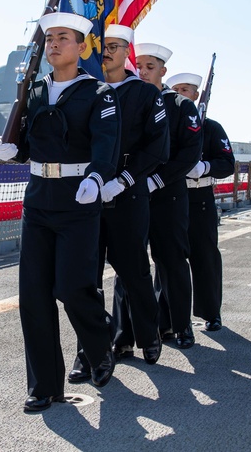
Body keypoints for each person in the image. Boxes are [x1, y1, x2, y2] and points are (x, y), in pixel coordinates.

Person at [0, 12, 120, 413]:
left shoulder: (98, 93)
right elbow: (33, 141)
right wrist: (12, 150)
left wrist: (97, 179)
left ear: (82, 47)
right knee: (33, 295)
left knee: (72, 288)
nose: (53, 44)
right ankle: (46, 386)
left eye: (63, 37)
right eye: (49, 38)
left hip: (78, 199)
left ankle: (99, 349)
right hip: (39, 197)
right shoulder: (33, 91)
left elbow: (107, 144)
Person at [68, 24, 168, 380]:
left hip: (129, 189)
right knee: (86, 276)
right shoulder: (86, 90)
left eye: (114, 47)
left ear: (129, 54)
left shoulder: (143, 93)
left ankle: (148, 333)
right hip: (89, 191)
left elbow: (158, 146)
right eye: (103, 46)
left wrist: (125, 180)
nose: (107, 52)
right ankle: (89, 351)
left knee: (134, 270)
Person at [133, 43, 203, 349]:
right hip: (132, 194)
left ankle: (181, 325)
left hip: (168, 195)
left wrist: (158, 180)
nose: (143, 71)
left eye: (150, 67)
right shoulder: (129, 100)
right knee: (132, 265)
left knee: (171, 261)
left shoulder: (180, 106)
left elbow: (189, 155)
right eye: (140, 66)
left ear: (163, 72)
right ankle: (143, 331)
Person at [168, 72, 236, 332]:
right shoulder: (165, 124)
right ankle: (170, 318)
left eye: (186, 89)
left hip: (200, 197)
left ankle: (211, 313)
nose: (180, 94)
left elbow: (227, 163)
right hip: (173, 195)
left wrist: (205, 166)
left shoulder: (210, 127)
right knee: (169, 259)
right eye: (176, 90)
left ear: (196, 95)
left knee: (205, 257)